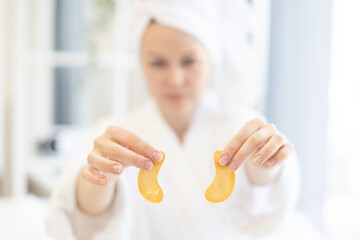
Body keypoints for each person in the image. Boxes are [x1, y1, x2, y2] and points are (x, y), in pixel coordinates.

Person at [45, 1, 322, 239]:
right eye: (157, 63)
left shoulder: (241, 122)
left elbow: (266, 191)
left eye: (189, 61)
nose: (175, 80)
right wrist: (97, 177)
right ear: (140, 61)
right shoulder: (116, 135)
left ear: (211, 60)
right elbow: (86, 214)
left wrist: (268, 161)